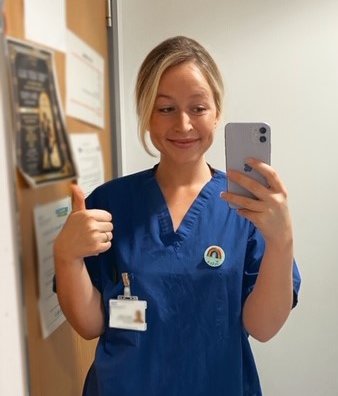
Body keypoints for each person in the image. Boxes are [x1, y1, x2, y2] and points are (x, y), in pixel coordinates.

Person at [54, 36, 301, 396]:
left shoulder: (248, 207)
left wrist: (282, 241)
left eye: (198, 108)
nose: (183, 125)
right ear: (146, 114)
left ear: (217, 114)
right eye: (165, 108)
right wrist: (66, 256)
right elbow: (91, 324)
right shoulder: (109, 203)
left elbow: (261, 327)